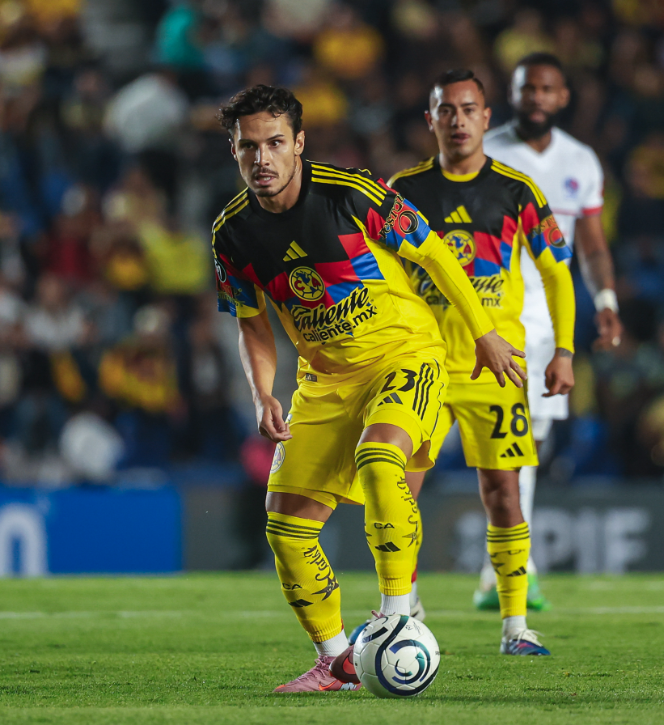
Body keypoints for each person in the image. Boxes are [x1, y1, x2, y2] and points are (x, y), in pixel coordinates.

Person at [211, 85, 523, 692]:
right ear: (234, 151)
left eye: (275, 143)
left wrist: (483, 333)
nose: (262, 159)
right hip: (324, 382)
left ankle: (397, 617)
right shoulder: (232, 233)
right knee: (285, 527)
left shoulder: (350, 193)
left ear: (299, 143)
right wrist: (262, 392)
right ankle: (338, 661)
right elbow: (251, 322)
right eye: (249, 147)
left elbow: (434, 254)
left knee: (381, 458)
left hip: (403, 354)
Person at [385, 69, 577, 655]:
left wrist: (564, 349)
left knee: (504, 493)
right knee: (398, 490)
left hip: (497, 370)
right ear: (431, 120)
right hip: (423, 365)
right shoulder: (403, 191)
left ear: (488, 118)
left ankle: (516, 627)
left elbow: (556, 271)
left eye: (470, 109)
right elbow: (383, 273)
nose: (459, 120)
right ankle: (401, 609)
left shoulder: (518, 191)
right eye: (447, 110)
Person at [480, 52, 624, 610]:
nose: (536, 97)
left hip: (550, 313)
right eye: (526, 89)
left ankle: (509, 565)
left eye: (546, 89)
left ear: (563, 97)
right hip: (492, 309)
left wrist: (606, 299)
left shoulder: (581, 161)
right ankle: (510, 566)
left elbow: (591, 243)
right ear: (512, 96)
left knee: (530, 438)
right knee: (499, 433)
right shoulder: (486, 149)